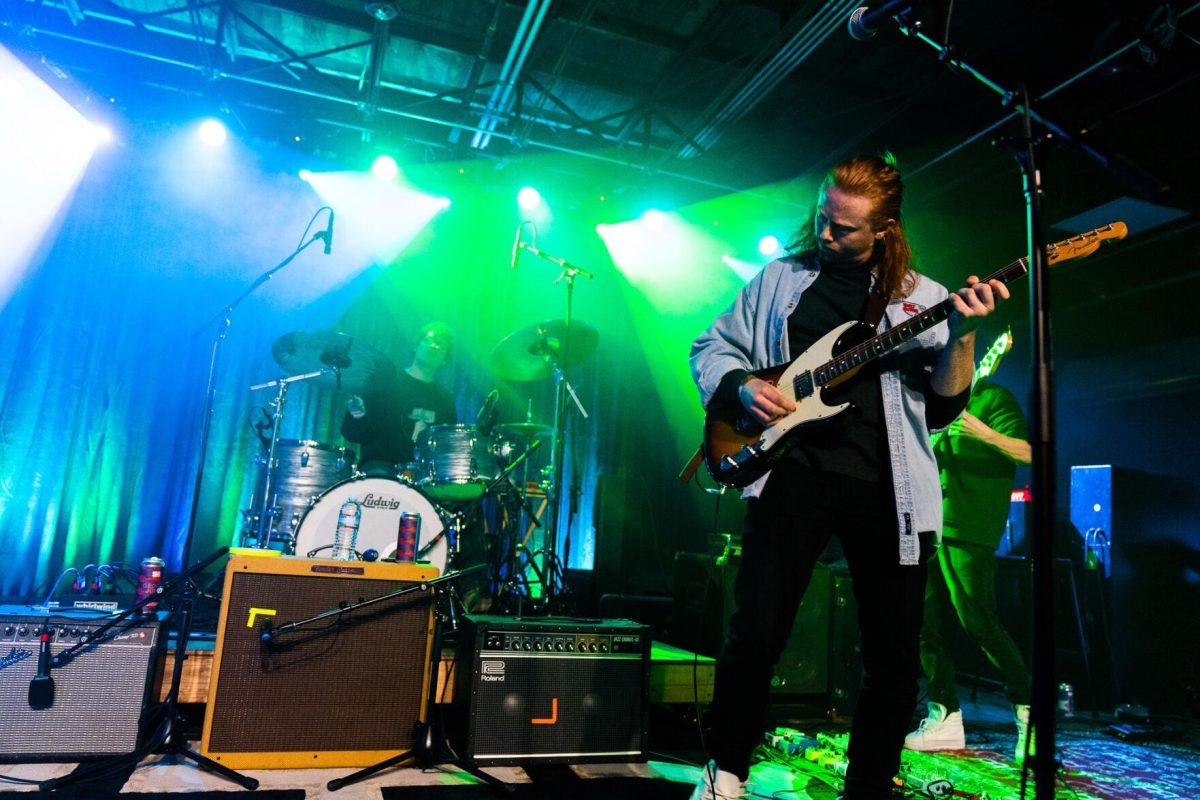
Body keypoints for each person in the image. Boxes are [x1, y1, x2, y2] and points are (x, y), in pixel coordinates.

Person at [688, 153, 1010, 800]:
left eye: (845, 229)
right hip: (793, 473)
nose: (828, 237)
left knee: (893, 657)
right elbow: (711, 345)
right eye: (823, 221)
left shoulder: (925, 298)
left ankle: (868, 786)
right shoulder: (780, 278)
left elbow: (946, 406)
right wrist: (742, 386)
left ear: (885, 228)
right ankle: (726, 772)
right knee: (756, 633)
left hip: (890, 491)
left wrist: (963, 337)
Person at [905, 376, 1033, 759]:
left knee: (978, 621)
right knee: (920, 623)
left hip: (970, 530)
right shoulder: (933, 403)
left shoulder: (993, 397)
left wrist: (982, 432)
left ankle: (1030, 708)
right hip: (927, 525)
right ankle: (944, 713)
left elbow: (1031, 453)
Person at [341, 322, 457, 474]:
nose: (432, 346)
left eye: (440, 344)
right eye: (428, 340)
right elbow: (351, 433)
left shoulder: (445, 399)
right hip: (381, 466)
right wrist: (358, 415)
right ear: (415, 347)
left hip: (424, 474)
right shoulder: (385, 382)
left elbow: (447, 446)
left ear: (445, 360)